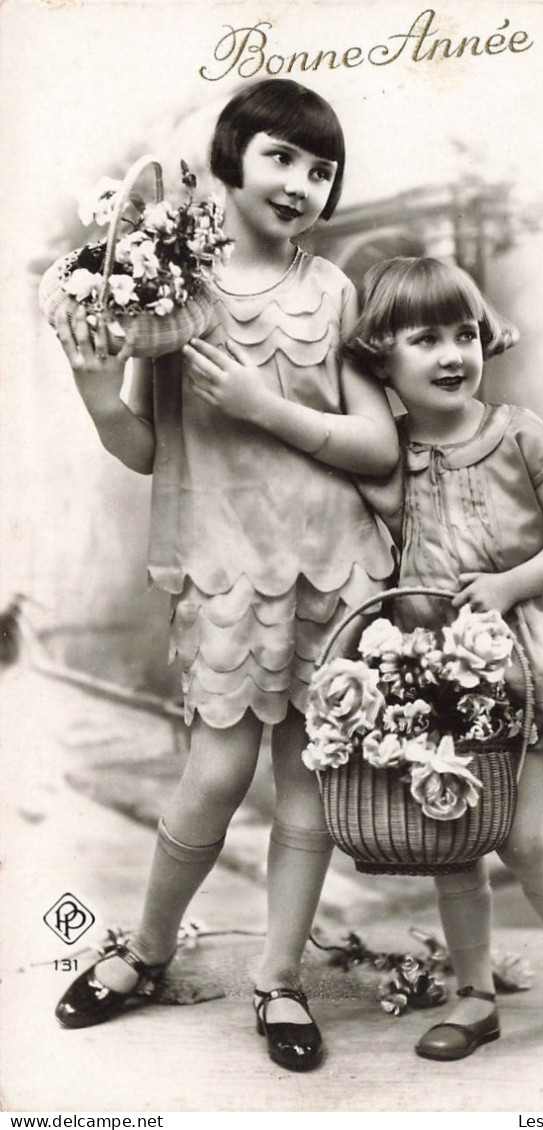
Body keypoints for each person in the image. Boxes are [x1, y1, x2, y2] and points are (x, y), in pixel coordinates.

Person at [51, 79, 399, 1072]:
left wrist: (263, 405)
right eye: (282, 157)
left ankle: (280, 977)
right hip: (227, 572)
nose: (301, 182)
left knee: (309, 780)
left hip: (332, 566)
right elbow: (141, 446)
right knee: (215, 770)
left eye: (321, 169)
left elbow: (375, 446)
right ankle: (147, 950)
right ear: (230, 157)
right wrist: (88, 377)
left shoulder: (332, 292)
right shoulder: (166, 286)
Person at [342, 256, 543, 1061]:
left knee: (520, 835)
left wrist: (510, 584)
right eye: (425, 338)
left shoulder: (517, 435)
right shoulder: (390, 454)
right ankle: (475, 996)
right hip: (442, 680)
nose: (452, 354)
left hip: (525, 664)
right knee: (456, 837)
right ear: (383, 359)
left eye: (464, 334)